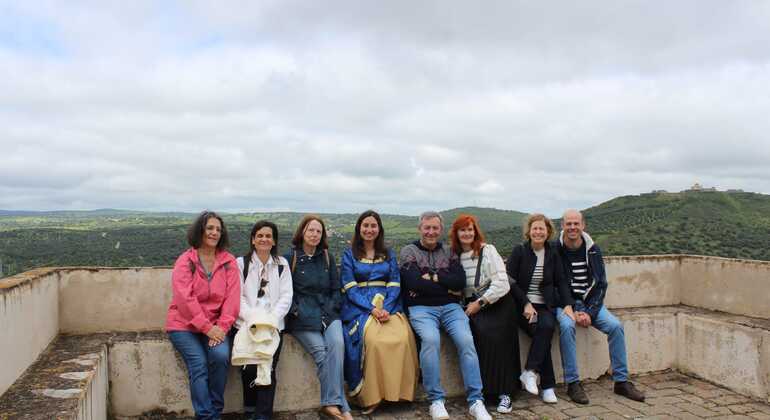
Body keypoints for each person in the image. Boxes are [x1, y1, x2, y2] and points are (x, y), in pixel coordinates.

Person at [400, 211, 492, 420]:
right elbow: (413, 283)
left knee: (466, 341)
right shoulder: (409, 251)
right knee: (431, 340)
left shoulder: (449, 251)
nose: (431, 232)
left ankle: (476, 401)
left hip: (451, 308)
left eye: (435, 228)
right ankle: (436, 400)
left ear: (441, 230)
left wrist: (431, 278)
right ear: (420, 228)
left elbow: (459, 282)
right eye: (427, 227)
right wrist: (446, 286)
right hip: (421, 309)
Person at [555, 209, 645, 404]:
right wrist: (573, 309)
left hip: (590, 303)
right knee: (567, 326)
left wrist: (589, 312)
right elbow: (555, 284)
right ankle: (573, 383)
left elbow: (601, 284)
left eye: (576, 223)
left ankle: (621, 381)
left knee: (615, 326)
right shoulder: (555, 250)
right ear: (562, 226)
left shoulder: (593, 250)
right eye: (568, 224)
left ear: (583, 225)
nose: (572, 227)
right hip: (565, 304)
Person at [340, 210, 419, 414]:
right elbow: (350, 287)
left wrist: (386, 308)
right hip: (360, 306)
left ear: (379, 229)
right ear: (359, 228)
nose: (369, 229)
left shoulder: (388, 253)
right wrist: (372, 309)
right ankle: (372, 396)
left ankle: (398, 392)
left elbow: (394, 283)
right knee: (374, 341)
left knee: (402, 338)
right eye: (365, 225)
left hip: (388, 305)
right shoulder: (349, 254)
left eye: (373, 225)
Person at [166, 211, 240, 420]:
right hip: (183, 326)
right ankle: (206, 416)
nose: (214, 233)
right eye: (210, 228)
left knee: (220, 357)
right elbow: (184, 300)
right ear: (200, 230)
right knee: (198, 364)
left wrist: (222, 327)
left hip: (217, 326)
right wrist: (207, 328)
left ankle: (215, 411)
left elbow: (233, 298)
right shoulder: (185, 261)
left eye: (218, 229)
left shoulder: (228, 261)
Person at [449, 214, 520, 414]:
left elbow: (502, 283)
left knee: (496, 339)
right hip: (472, 305)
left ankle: (505, 393)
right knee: (476, 339)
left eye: (470, 229)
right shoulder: (453, 256)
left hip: (496, 303)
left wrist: (480, 303)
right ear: (456, 233)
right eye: (462, 230)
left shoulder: (488, 250)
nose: (467, 233)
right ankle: (487, 392)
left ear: (476, 231)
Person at [284, 215, 353, 420]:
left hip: (328, 314)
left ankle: (331, 404)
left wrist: (332, 307)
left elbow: (336, 289)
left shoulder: (327, 257)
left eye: (318, 231)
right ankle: (342, 407)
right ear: (302, 232)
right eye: (310, 230)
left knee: (338, 346)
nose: (314, 234)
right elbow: (285, 292)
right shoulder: (289, 258)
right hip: (302, 318)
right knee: (322, 354)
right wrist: (297, 311)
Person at [506, 213, 572, 404]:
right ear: (529, 231)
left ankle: (529, 371)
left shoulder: (553, 253)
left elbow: (561, 280)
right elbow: (510, 281)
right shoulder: (519, 251)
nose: (538, 232)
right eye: (535, 228)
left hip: (544, 305)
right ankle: (548, 386)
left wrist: (568, 304)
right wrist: (525, 302)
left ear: (548, 232)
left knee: (547, 327)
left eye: (541, 228)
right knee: (541, 333)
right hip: (522, 306)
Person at [234, 220, 293, 420]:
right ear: (253, 239)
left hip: (273, 327)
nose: (264, 239)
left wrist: (271, 320)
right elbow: (237, 296)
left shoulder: (281, 264)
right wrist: (254, 319)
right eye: (260, 235)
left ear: (274, 241)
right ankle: (250, 411)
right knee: (249, 368)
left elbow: (286, 296)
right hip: (247, 325)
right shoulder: (241, 264)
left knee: (268, 368)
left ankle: (263, 415)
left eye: (268, 236)